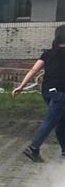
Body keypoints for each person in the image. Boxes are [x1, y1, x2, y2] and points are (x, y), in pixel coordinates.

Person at [13, 25, 65, 162]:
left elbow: (33, 70)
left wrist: (21, 86)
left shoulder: (48, 53)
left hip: (47, 92)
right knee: (50, 121)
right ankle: (33, 148)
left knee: (61, 120)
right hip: (61, 94)